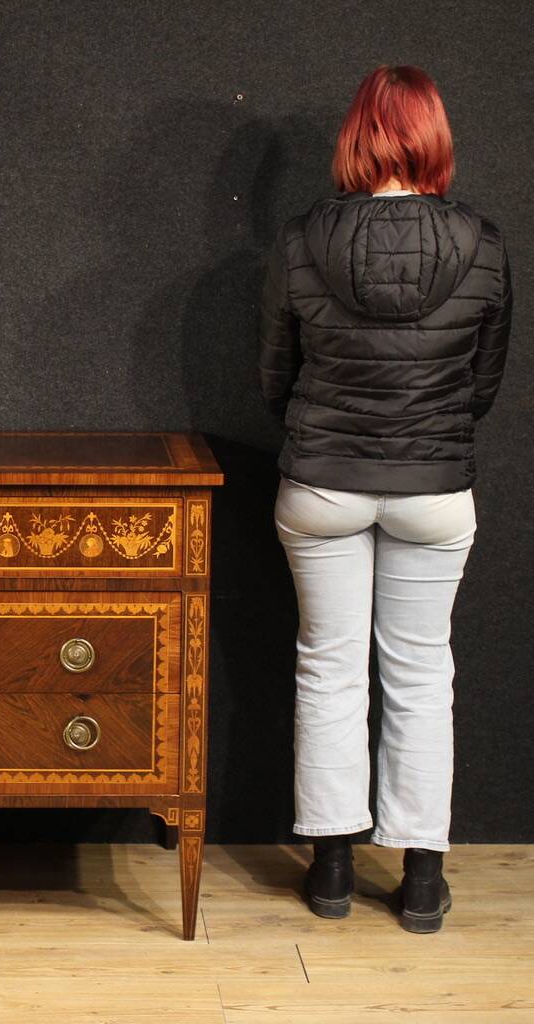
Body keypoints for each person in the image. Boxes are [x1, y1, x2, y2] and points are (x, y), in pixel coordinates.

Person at [257, 65, 512, 933]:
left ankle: (331, 872)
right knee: (420, 674)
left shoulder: (300, 241)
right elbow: (483, 384)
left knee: (327, 668)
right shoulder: (481, 242)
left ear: (356, 137)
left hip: (323, 482)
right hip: (435, 488)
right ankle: (424, 883)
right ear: (432, 137)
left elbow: (273, 377)